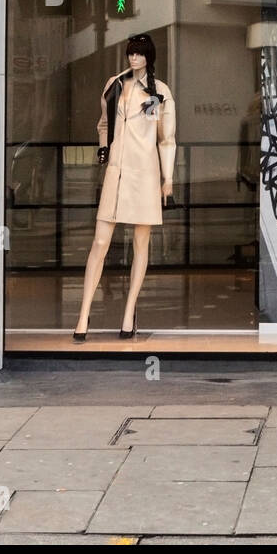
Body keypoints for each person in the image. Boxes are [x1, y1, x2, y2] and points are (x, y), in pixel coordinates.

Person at [72, 33, 176, 342]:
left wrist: (167, 177)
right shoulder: (114, 84)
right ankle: (82, 315)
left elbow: (165, 137)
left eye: (140, 54)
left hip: (145, 172)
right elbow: (103, 123)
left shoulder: (158, 91)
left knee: (141, 243)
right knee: (100, 242)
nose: (134, 58)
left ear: (149, 57)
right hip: (116, 171)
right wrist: (103, 149)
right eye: (131, 53)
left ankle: (129, 311)